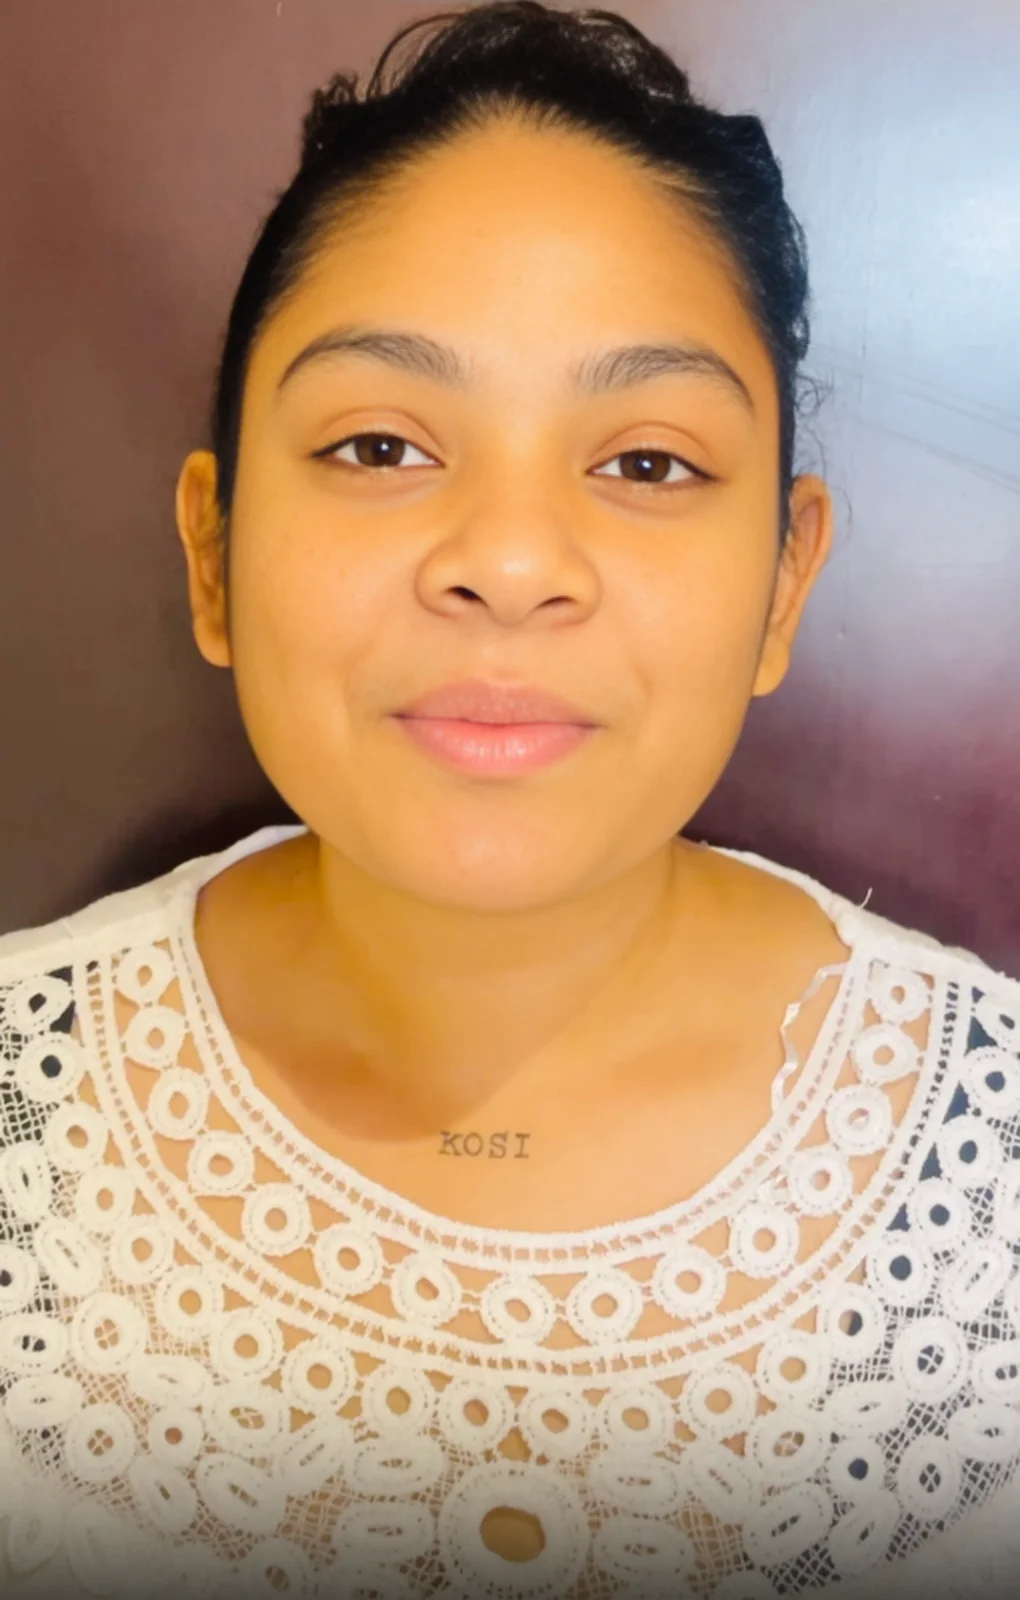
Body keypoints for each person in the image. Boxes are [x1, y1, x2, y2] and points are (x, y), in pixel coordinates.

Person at [0, 3, 1017, 1596]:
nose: (514, 561)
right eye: (382, 444)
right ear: (212, 551)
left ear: (783, 583)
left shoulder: (987, 1172)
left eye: (647, 464)